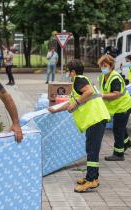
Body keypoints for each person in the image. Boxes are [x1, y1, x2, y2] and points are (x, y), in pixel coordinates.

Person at [48, 59, 110, 193]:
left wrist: (76, 103)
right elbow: (70, 103)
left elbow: (89, 93)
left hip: (95, 119)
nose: (67, 74)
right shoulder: (81, 81)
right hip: (95, 119)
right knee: (91, 148)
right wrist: (55, 109)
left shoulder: (78, 80)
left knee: (92, 150)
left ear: (73, 72)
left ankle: (91, 180)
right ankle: (93, 177)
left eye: (68, 71)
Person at [98, 54, 131, 161]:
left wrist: (102, 96)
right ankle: (127, 142)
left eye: (105, 65)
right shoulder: (102, 76)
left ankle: (118, 154)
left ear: (111, 66)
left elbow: (116, 94)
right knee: (120, 126)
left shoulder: (115, 77)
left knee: (118, 129)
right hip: (117, 107)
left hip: (123, 106)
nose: (103, 68)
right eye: (101, 66)